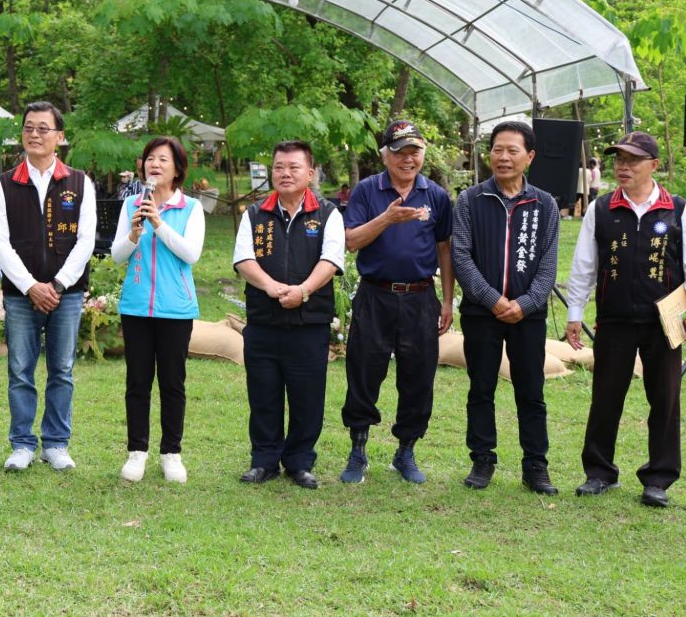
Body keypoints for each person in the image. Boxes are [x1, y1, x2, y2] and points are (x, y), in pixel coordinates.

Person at [566, 131, 686, 508]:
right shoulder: (601, 209)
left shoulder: (676, 208)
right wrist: (575, 312)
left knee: (665, 399)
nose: (624, 166)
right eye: (619, 159)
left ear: (654, 165)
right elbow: (584, 265)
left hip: (664, 322)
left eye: (633, 160)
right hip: (614, 319)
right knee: (605, 397)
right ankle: (599, 472)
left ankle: (659, 479)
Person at [339, 120, 454, 485]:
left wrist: (447, 301)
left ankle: (406, 451)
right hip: (375, 295)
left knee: (418, 376)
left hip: (420, 297)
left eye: (414, 151)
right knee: (364, 371)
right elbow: (351, 240)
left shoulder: (435, 195)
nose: (408, 159)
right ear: (385, 155)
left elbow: (444, 248)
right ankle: (358, 450)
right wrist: (387, 218)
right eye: (400, 151)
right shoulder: (367, 190)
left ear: (423, 154)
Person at [452, 120, 560, 494]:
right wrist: (493, 300)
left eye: (512, 150)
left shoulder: (544, 204)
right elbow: (461, 256)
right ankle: (482, 460)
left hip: (528, 316)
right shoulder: (470, 200)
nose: (503, 157)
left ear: (529, 157)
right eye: (498, 149)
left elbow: (548, 263)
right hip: (481, 313)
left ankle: (535, 466)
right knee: (481, 388)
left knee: (531, 391)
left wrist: (525, 304)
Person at [0, 102, 96, 472]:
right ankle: (22, 444)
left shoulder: (79, 182)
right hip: (21, 295)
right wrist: (31, 286)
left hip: (67, 293)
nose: (34, 134)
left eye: (43, 128)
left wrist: (59, 283)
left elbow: (86, 240)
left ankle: (56, 443)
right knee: (20, 369)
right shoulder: (4, 184)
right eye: (28, 128)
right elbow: (0, 244)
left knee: (62, 369)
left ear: (60, 137)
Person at [234, 140, 345, 489]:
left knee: (307, 396)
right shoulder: (255, 214)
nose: (285, 173)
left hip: (309, 323)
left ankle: (300, 462)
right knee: (263, 394)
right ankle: (264, 461)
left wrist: (304, 291)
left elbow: (331, 260)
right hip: (263, 322)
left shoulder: (328, 214)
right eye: (279, 166)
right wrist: (270, 286)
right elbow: (243, 259)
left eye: (294, 167)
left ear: (310, 173)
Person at [111, 137, 205, 483]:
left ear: (177, 169)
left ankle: (171, 453)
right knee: (137, 381)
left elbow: (191, 254)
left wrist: (158, 225)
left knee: (172, 383)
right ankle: (137, 452)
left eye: (163, 159)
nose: (154, 164)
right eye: (150, 158)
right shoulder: (131, 205)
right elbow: (117, 255)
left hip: (175, 309)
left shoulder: (191, 208)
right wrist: (134, 233)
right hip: (136, 306)